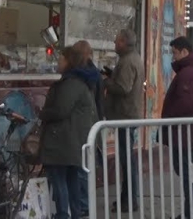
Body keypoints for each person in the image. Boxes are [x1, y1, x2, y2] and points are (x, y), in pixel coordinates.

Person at [39, 45, 98, 219]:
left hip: (62, 142)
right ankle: (75, 213)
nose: (58, 62)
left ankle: (63, 214)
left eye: (61, 59)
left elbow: (60, 110)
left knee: (59, 181)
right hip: (71, 142)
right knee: (71, 180)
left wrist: (42, 113)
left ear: (69, 62)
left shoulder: (70, 84)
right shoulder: (80, 83)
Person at [161, 36, 193, 219]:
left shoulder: (188, 73)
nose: (173, 57)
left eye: (174, 52)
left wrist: (168, 118)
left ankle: (192, 213)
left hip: (181, 132)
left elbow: (185, 103)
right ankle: (191, 212)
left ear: (184, 52)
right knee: (188, 173)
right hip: (185, 132)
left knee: (187, 174)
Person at [103, 30, 145, 213]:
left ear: (123, 43)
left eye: (117, 40)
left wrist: (106, 82)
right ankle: (127, 198)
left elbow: (123, 87)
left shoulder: (128, 61)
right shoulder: (133, 58)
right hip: (128, 114)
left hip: (125, 115)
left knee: (127, 160)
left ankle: (129, 199)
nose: (114, 42)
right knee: (128, 159)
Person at [72, 40, 104, 217]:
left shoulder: (79, 76)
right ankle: (85, 202)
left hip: (83, 123)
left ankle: (83, 203)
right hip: (93, 121)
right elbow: (100, 100)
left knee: (81, 165)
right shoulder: (95, 74)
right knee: (85, 164)